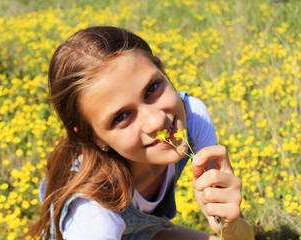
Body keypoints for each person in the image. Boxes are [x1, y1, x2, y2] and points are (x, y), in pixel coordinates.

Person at [26, 26, 254, 240]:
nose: (157, 121)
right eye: (121, 117)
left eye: (152, 88)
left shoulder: (193, 118)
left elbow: (240, 236)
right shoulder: (91, 213)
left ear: (162, 70)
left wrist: (231, 224)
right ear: (92, 137)